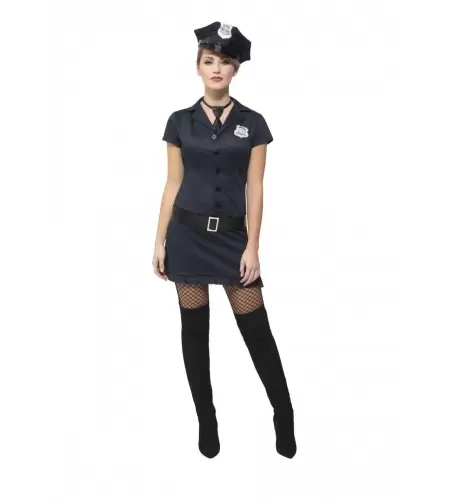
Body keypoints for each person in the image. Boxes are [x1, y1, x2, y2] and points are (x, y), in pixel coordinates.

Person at [153, 21, 296, 459]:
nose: (216, 68)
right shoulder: (179, 122)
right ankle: (207, 420)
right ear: (198, 66)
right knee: (195, 334)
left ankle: (284, 414)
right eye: (209, 60)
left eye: (225, 62)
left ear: (236, 69)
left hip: (233, 239)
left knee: (258, 333)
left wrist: (253, 246)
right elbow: (172, 183)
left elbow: (256, 187)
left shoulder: (254, 124)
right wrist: (159, 241)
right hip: (186, 238)